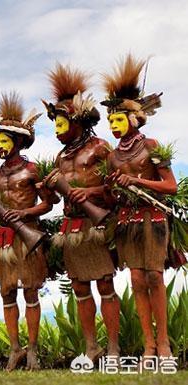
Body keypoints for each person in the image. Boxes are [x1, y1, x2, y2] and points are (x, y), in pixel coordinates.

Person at [41, 64, 120, 360]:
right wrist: (46, 189)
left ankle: (113, 347)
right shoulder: (60, 157)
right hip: (71, 228)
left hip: (96, 224)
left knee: (105, 284)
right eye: (56, 125)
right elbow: (51, 199)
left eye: (62, 124)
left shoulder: (100, 148)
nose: (57, 130)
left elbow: (116, 189)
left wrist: (92, 192)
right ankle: (91, 347)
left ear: (79, 122)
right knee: (79, 286)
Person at [102, 55, 177, 358]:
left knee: (154, 277)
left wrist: (138, 183)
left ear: (134, 119)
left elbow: (170, 186)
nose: (113, 125)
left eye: (118, 119)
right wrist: (112, 188)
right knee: (135, 278)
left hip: (153, 219)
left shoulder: (152, 147)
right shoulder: (111, 157)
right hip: (126, 222)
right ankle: (147, 343)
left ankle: (164, 343)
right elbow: (111, 199)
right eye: (110, 121)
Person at [0, 92, 51, 370]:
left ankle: (33, 350)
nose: (0, 146)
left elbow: (48, 204)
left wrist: (26, 213)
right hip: (4, 240)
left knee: (30, 293)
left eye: (5, 141)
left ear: (17, 142)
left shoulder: (32, 169)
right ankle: (14, 349)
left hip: (29, 235)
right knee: (7, 294)